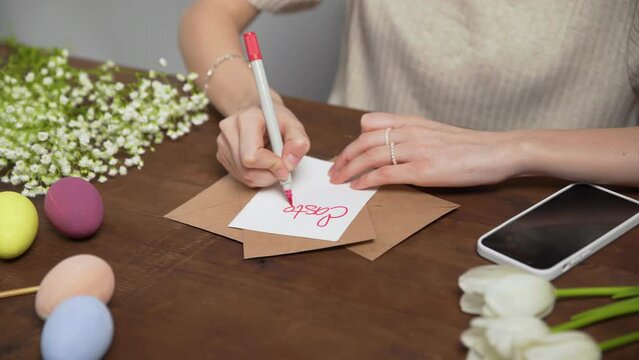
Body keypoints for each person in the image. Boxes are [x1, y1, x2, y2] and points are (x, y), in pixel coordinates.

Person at [179, 0, 639, 190]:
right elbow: (208, 16)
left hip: (542, 209)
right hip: (349, 182)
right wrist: (248, 102)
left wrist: (513, 148)